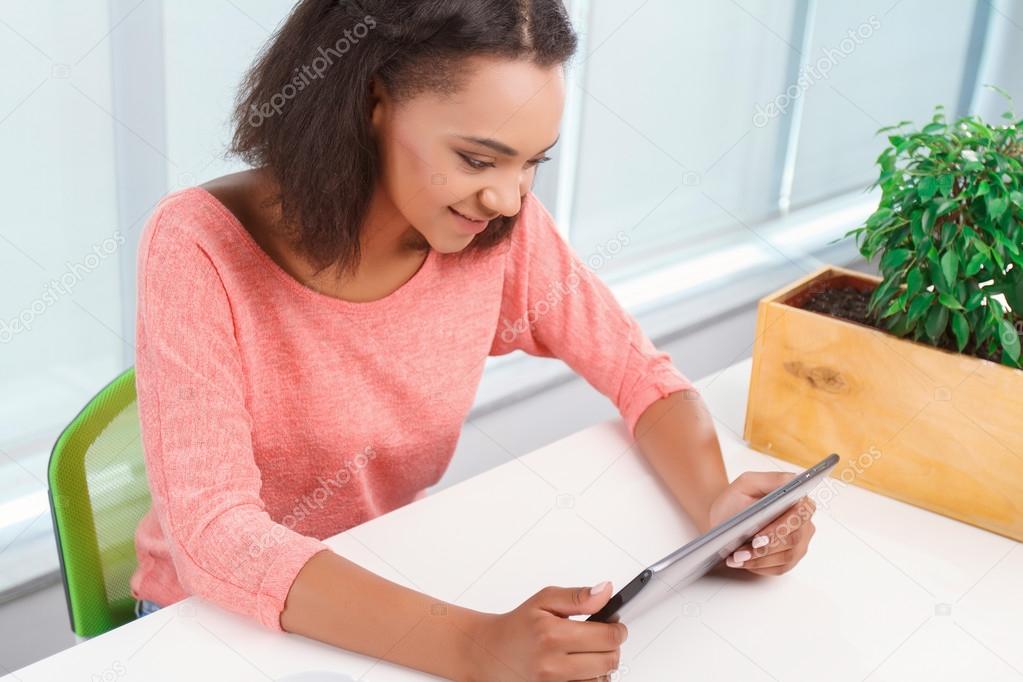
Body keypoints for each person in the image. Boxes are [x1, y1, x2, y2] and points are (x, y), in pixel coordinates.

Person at [128, 1, 818, 679]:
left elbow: (640, 373)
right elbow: (213, 536)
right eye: (476, 158)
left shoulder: (493, 232)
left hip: (384, 583)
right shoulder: (197, 244)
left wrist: (718, 506)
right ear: (373, 99)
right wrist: (472, 647)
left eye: (530, 163)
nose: (509, 199)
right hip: (208, 630)